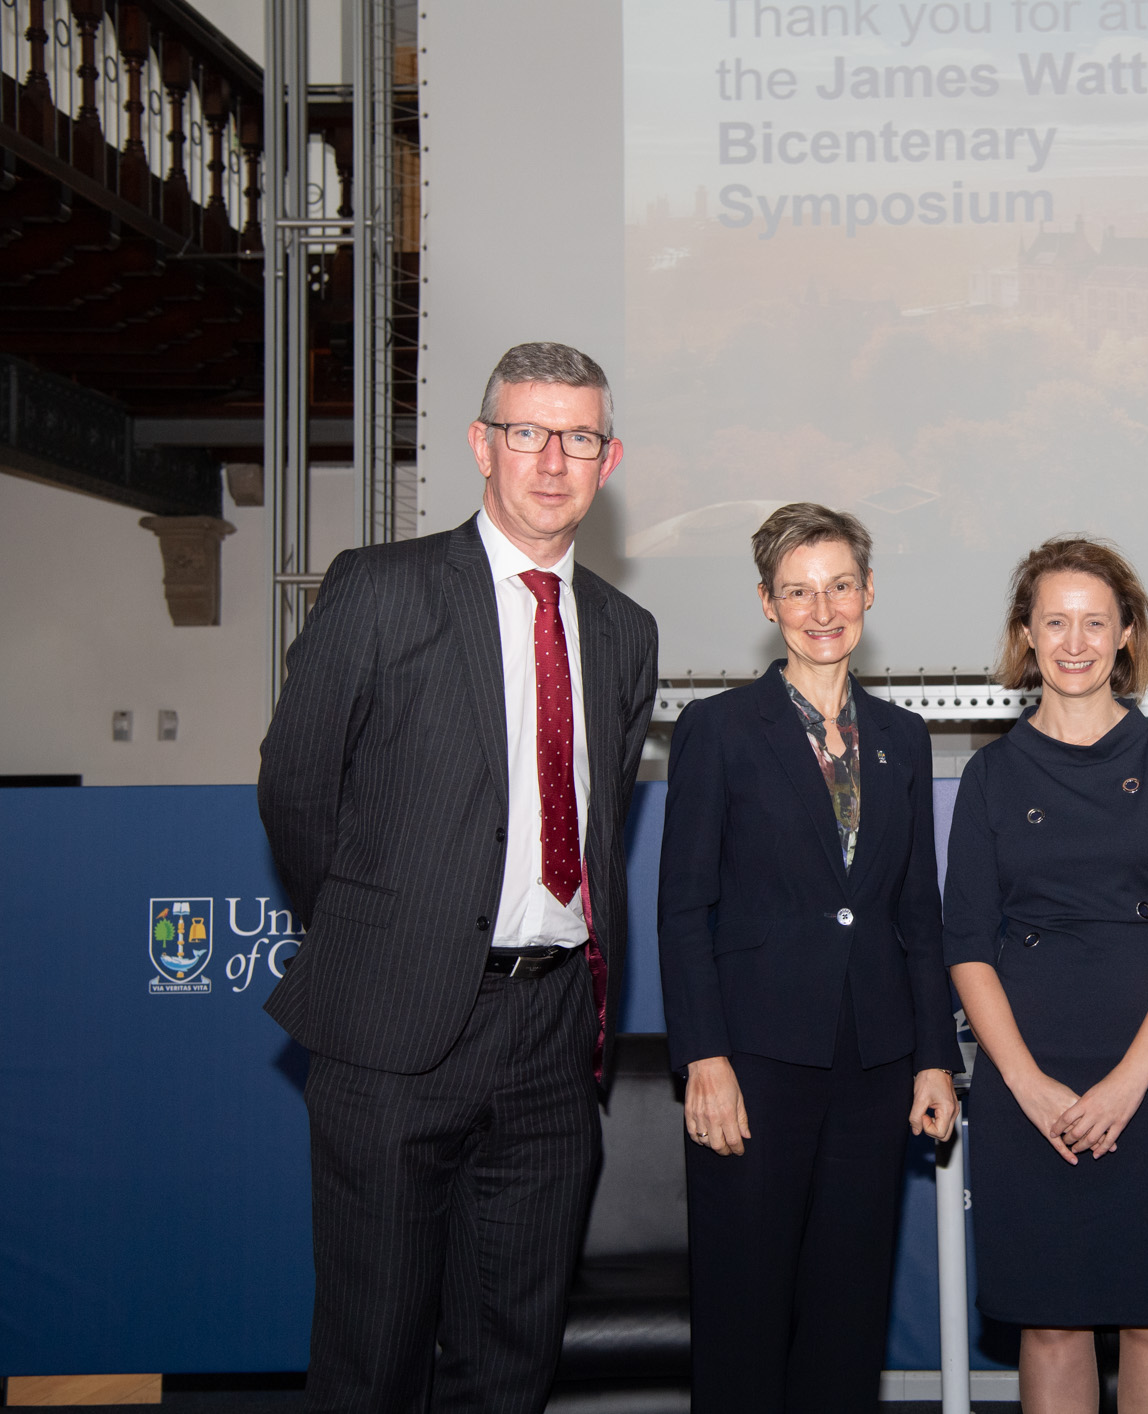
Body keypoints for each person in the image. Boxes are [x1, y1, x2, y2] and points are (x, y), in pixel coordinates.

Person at [257, 342, 659, 1413]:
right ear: (483, 445)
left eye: (578, 437)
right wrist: (381, 937)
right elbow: (297, 792)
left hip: (550, 1037)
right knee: (373, 1350)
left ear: (607, 459)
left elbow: (601, 800)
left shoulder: (625, 631)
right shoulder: (380, 590)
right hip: (394, 1029)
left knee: (512, 1353)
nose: (552, 460)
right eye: (527, 431)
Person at [658, 503, 959, 1413]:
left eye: (837, 586)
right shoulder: (716, 729)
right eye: (796, 591)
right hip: (753, 1060)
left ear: (868, 593)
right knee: (744, 1308)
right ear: (765, 603)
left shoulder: (904, 739)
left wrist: (935, 1056)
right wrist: (702, 1058)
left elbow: (916, 909)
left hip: (874, 1063)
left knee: (847, 1310)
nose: (820, 609)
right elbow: (683, 907)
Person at [944, 537, 1148, 1414]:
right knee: (1051, 1321)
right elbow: (965, 943)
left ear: (1127, 634)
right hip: (1030, 1074)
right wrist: (1025, 1085)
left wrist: (1128, 1081)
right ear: (1024, 636)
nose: (1074, 642)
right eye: (1054, 622)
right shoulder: (990, 775)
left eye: (1094, 622)